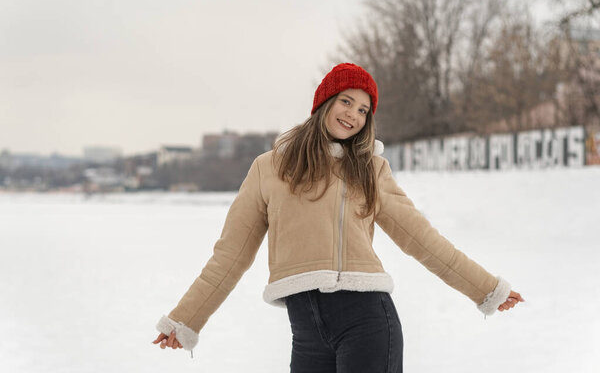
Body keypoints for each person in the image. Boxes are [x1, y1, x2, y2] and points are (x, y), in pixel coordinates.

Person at [151, 63, 524, 372]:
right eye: (347, 102)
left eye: (364, 110)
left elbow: (423, 240)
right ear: (324, 102)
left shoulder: (370, 170)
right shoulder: (269, 168)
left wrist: (487, 289)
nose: (354, 115)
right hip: (307, 333)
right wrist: (186, 320)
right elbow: (230, 255)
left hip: (368, 322)